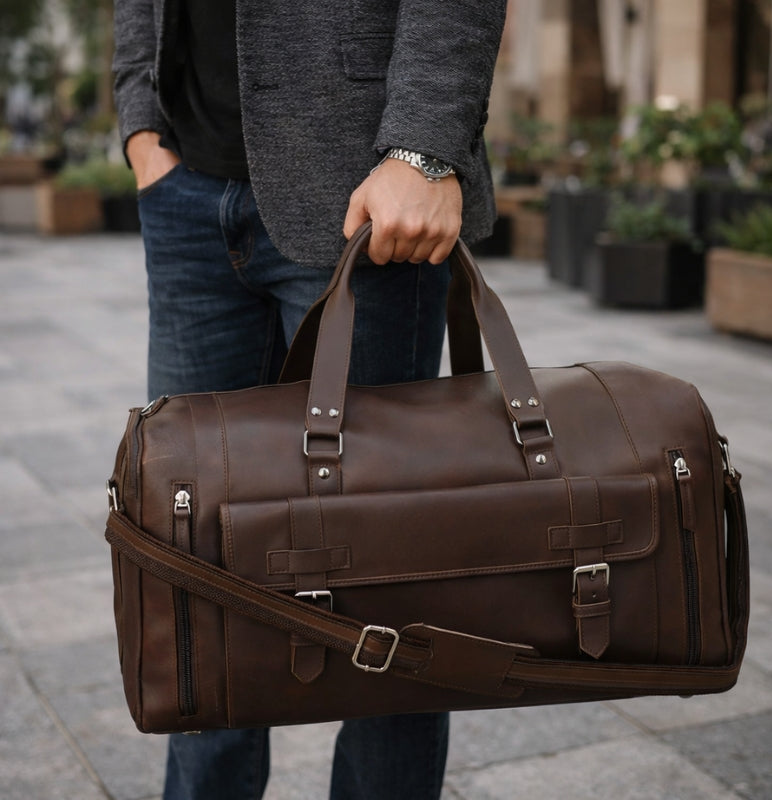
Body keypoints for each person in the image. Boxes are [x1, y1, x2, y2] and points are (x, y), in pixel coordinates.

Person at [112, 1, 507, 798]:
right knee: (198, 550)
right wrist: (139, 121)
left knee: (389, 565)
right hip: (186, 186)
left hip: (363, 194)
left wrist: (424, 152)